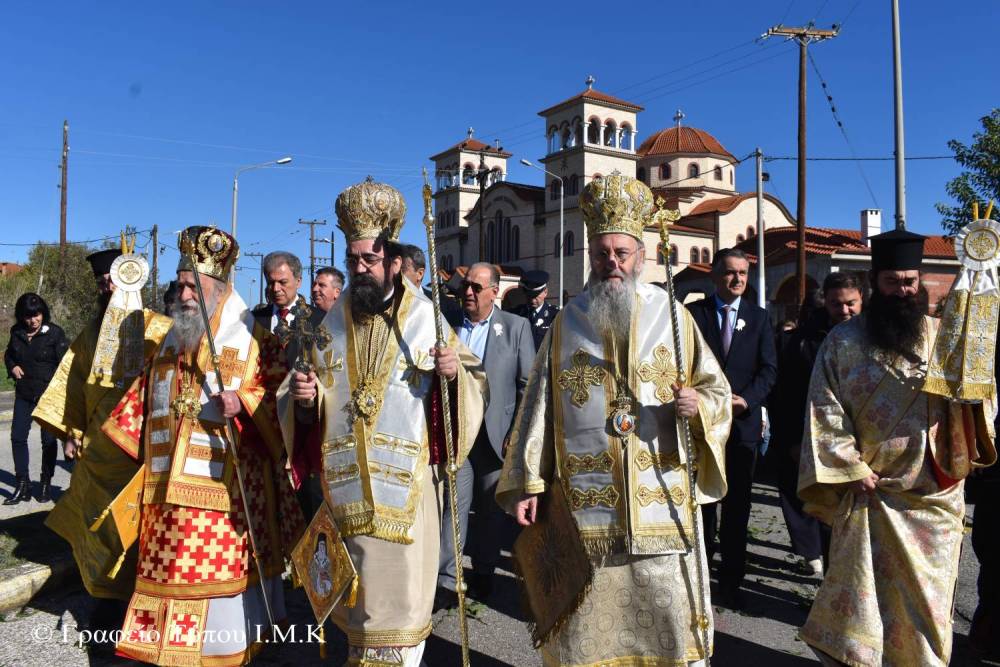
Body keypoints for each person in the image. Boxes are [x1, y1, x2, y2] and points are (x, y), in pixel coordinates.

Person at [497, 173, 732, 666]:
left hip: (660, 509)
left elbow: (716, 388)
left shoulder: (674, 316)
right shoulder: (568, 321)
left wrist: (699, 405)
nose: (612, 264)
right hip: (586, 513)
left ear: (641, 256)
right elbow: (538, 407)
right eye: (602, 253)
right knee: (588, 642)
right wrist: (528, 483)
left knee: (667, 635)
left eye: (622, 253)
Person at [283, 178, 486, 667]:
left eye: (369, 260)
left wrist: (453, 376)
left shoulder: (427, 319)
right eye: (353, 260)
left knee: (398, 633)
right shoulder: (330, 324)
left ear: (394, 260)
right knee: (353, 629)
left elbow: (471, 391)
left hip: (406, 508)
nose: (359, 269)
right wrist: (304, 399)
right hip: (344, 500)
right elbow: (300, 400)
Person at [103, 226, 304, 665]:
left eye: (195, 284)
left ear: (222, 287)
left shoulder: (256, 341)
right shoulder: (170, 343)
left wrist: (245, 402)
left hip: (223, 491)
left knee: (211, 587)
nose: (185, 292)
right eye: (181, 283)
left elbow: (280, 397)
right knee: (166, 570)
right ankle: (164, 649)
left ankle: (219, 652)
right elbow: (144, 396)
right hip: (163, 489)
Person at [798, 229, 997, 666]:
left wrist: (972, 391)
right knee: (867, 613)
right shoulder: (842, 342)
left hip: (934, 499)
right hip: (870, 493)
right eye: (893, 281)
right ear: (875, 281)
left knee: (928, 612)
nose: (904, 290)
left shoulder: (942, 337)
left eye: (910, 281)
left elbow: (981, 400)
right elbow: (824, 407)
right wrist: (850, 467)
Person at [32, 247, 172, 653]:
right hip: (96, 450)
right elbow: (72, 381)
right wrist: (71, 431)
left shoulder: (158, 328)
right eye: (101, 282)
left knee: (141, 530)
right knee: (99, 527)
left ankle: (142, 606)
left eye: (111, 279)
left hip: (143, 450)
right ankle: (106, 606)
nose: (105, 286)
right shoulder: (90, 332)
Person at [437, 262, 535, 608]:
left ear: (494, 291)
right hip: (459, 436)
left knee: (491, 512)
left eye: (476, 288)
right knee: (453, 506)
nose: (467, 292)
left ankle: (483, 572)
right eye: (465, 286)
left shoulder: (515, 327)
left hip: (497, 437)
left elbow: (528, 386)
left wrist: (516, 433)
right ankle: (448, 580)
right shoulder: (447, 328)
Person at [687, 248, 777, 608]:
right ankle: (701, 576)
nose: (737, 279)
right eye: (730, 273)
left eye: (743, 273)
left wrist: (747, 401)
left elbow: (769, 369)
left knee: (738, 507)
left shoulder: (759, 318)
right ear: (714, 276)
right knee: (704, 505)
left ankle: (732, 581)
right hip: (703, 426)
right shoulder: (694, 315)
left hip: (742, 426)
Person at [768, 272, 863, 576]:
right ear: (827, 304)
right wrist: (792, 442)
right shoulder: (803, 341)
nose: (844, 310)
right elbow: (787, 397)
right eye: (837, 304)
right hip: (817, 443)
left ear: (861, 300)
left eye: (851, 304)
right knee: (828, 518)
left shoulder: (875, 335)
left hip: (863, 444)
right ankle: (831, 585)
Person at [4, 293, 68, 504]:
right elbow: (9, 354)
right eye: (28, 316)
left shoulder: (55, 334)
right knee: (17, 437)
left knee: (48, 441)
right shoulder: (17, 332)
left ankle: (46, 482)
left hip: (48, 396)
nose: (33, 320)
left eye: (37, 315)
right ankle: (23, 484)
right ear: (21, 317)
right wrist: (12, 366)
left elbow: (65, 366)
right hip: (24, 393)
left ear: (43, 313)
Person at [510, 270, 559, 350]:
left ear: (545, 292)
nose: (532, 300)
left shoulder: (555, 316)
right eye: (529, 296)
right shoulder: (517, 314)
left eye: (536, 296)